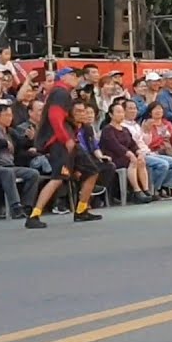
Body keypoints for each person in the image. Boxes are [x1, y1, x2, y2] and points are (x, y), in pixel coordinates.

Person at [23, 68, 102, 230]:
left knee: (92, 170)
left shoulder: (64, 93)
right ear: (64, 77)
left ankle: (81, 209)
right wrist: (65, 139)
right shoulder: (60, 92)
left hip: (67, 139)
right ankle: (34, 215)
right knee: (58, 178)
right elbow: (55, 117)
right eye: (73, 76)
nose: (76, 80)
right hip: (59, 141)